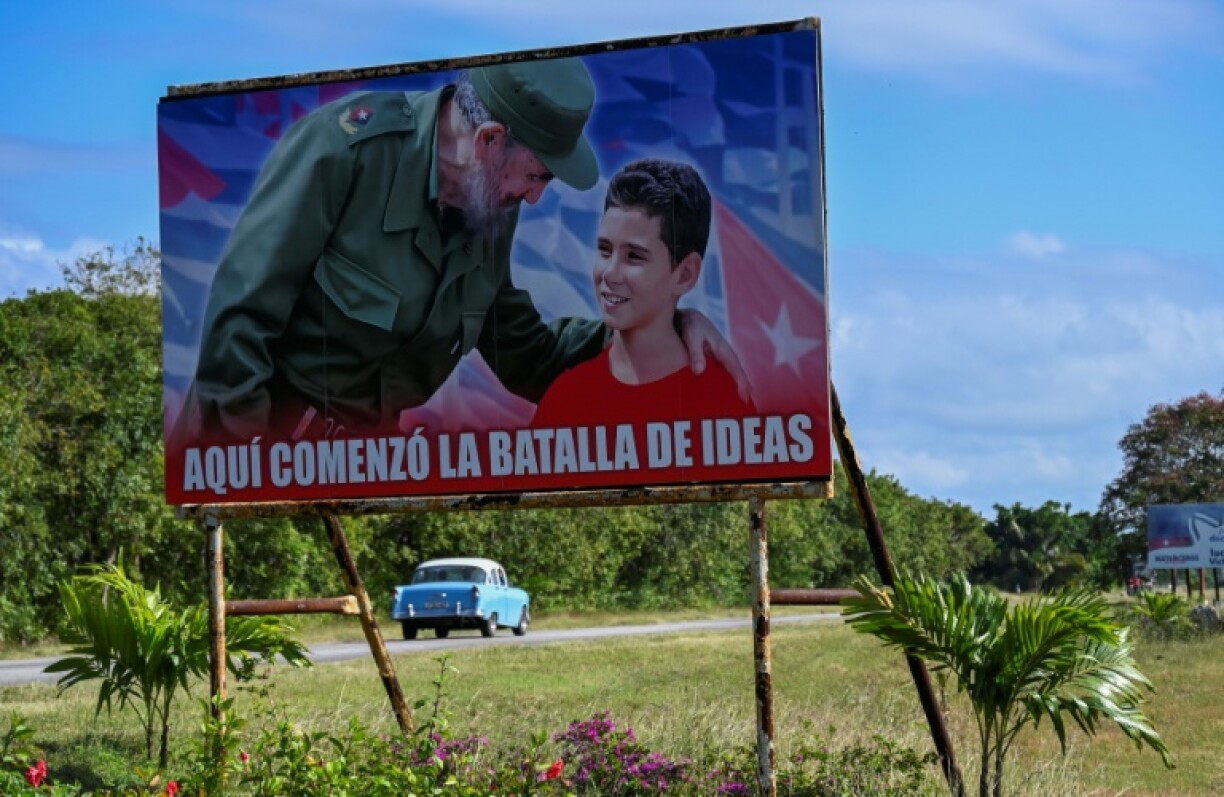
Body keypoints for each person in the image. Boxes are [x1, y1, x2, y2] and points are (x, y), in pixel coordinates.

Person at [174, 57, 744, 445]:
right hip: (255, 458)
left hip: (357, 473)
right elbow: (238, 327)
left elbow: (527, 354)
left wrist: (659, 324)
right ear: (490, 140)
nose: (535, 196)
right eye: (537, 175)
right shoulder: (343, 153)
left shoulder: (489, 201)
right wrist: (255, 476)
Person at [532, 158, 754, 429]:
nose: (609, 273)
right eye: (605, 250)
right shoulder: (566, 398)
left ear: (685, 274)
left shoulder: (722, 401)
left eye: (634, 256)